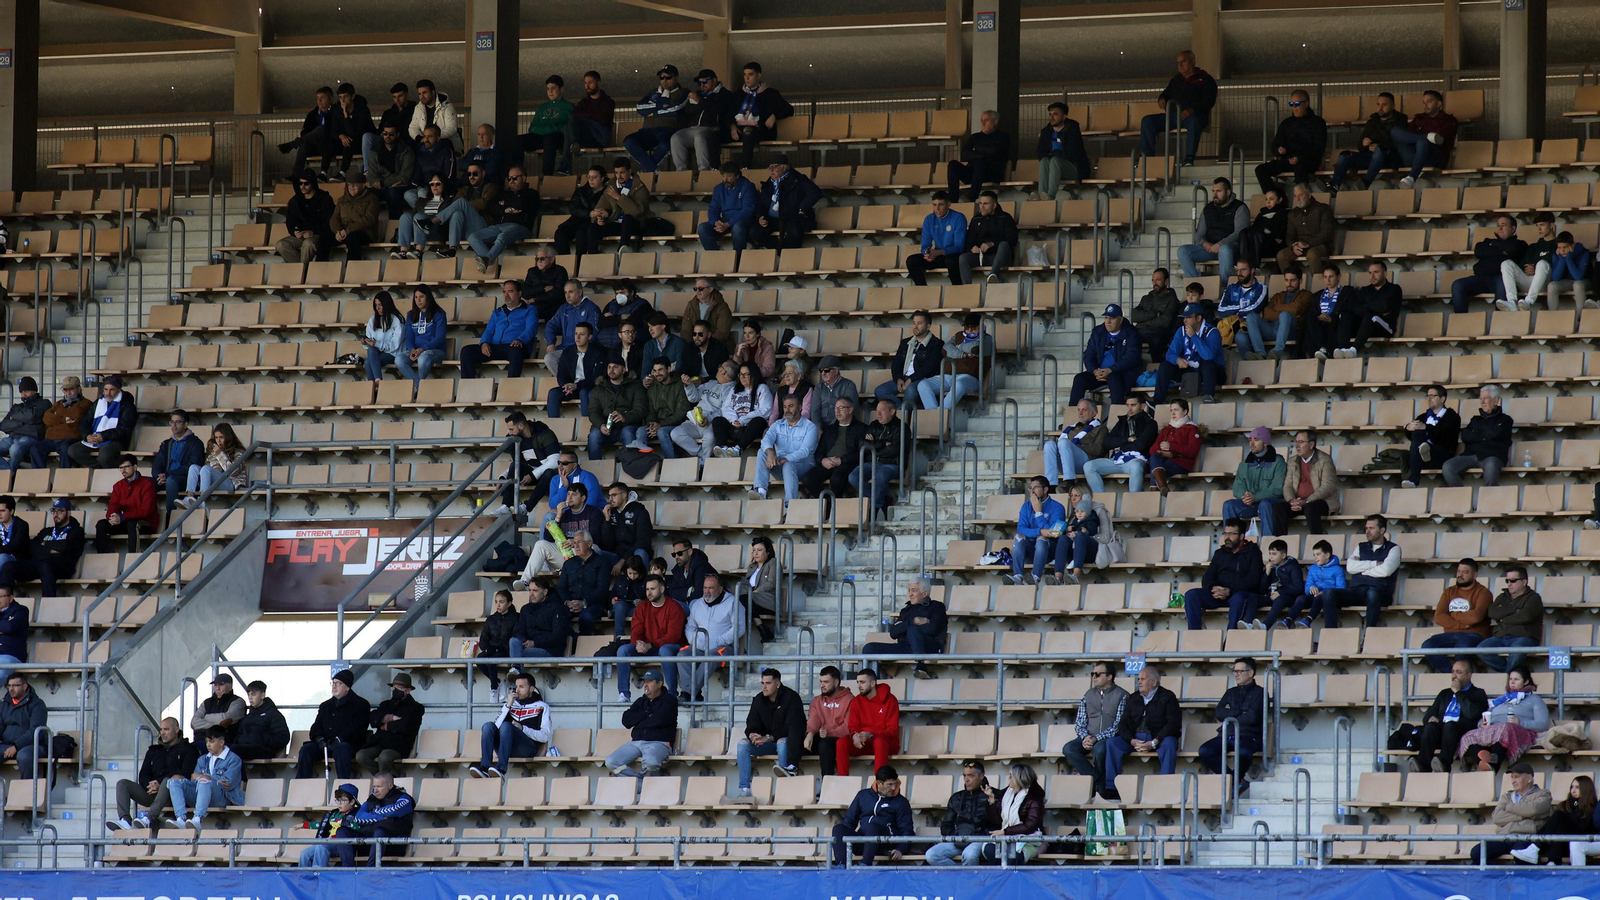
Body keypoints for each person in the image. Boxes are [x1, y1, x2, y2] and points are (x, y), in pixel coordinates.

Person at [106, 717, 194, 833]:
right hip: (151, 793)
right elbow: (143, 773)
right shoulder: (154, 750)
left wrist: (160, 783)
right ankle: (125, 820)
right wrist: (150, 785)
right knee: (122, 784)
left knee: (168, 780)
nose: (162, 733)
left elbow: (185, 773)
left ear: (177, 729)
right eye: (161, 730)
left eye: (166, 729)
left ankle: (149, 818)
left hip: (174, 794)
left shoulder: (188, 749)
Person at [1104, 667, 1181, 796]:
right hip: (1136, 738)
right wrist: (1132, 740)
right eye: (1138, 679)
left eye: (1143, 679)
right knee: (1112, 743)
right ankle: (1112, 788)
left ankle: (1165, 787)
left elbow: (1173, 724)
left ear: (1154, 682)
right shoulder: (1133, 698)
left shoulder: (1168, 697)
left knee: (1169, 744)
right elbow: (1122, 725)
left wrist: (1154, 742)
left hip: (1158, 738)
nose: (1139, 682)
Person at [1459, 666, 1551, 773]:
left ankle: (1493, 764)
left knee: (1505, 729)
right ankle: (1483, 756)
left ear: (1526, 681)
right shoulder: (1501, 699)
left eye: (1516, 679)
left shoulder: (1535, 700)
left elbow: (1543, 724)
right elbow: (1485, 715)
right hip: (1494, 729)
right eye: (1510, 679)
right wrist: (1482, 724)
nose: (1512, 682)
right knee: (1468, 736)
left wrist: (1520, 723)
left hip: (1518, 731)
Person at [1060, 661, 1130, 798]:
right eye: (1093, 674)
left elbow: (1118, 726)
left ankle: (1096, 787)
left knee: (1100, 749)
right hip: (1089, 736)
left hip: (1109, 738)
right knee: (1069, 749)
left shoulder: (1122, 695)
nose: (1094, 677)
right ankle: (1098, 782)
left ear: (1109, 677)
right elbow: (1080, 722)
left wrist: (1096, 738)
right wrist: (1085, 737)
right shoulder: (1088, 695)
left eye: (1098, 674)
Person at [732, 668, 806, 796]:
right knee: (742, 745)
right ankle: (744, 789)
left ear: (778, 684)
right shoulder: (758, 699)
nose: (764, 687)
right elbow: (751, 722)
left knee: (782, 743)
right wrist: (752, 734)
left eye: (768, 683)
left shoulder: (792, 698)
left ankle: (784, 790)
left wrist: (769, 737)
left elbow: (792, 727)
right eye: (762, 683)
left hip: (787, 743)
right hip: (766, 743)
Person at [1182, 519, 1266, 630]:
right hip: (1218, 595)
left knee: (1239, 598)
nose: (1227, 537)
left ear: (1241, 536)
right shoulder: (1220, 553)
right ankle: (1194, 634)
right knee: (1191, 595)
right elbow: (1207, 577)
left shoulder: (1253, 552)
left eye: (1231, 534)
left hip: (1238, 594)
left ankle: (1230, 639)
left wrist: (1229, 590)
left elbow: (1253, 581)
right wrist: (1213, 588)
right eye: (1225, 533)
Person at [1198, 657, 1265, 795]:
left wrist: (1231, 715)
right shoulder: (1231, 692)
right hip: (1226, 733)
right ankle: (1236, 781)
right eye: (1234, 671)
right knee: (1205, 751)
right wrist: (1241, 712)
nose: (1236, 674)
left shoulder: (1260, 692)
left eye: (1240, 671)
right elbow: (1219, 712)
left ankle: (1234, 782)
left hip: (1249, 735)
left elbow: (1253, 717)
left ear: (1251, 673)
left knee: (1244, 753)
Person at [1322, 514, 1400, 628]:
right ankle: (1331, 633)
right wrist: (1374, 564)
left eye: (1371, 528)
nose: (1367, 531)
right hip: (1357, 591)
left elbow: (1386, 571)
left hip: (1380, 593)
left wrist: (1361, 571)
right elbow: (1350, 568)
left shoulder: (1394, 549)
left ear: (1382, 530)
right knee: (1328, 593)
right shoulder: (1361, 547)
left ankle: (1369, 635)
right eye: (1366, 528)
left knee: (1372, 594)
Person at [1139, 50, 1217, 165]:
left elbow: (1209, 100)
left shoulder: (1205, 79)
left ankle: (1189, 159)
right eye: (1178, 63)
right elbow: (1166, 93)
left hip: (1194, 116)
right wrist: (1161, 99)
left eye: (1183, 62)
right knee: (1147, 121)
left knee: (1194, 121)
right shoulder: (1176, 80)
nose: (1180, 65)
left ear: (1193, 62)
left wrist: (1192, 109)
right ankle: (1147, 159)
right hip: (1173, 116)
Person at [616, 574, 685, 702]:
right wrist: (638, 644)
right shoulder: (642, 607)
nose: (649, 593)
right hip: (648, 646)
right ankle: (624, 694)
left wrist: (651, 645)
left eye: (652, 589)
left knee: (665, 650)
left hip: (671, 646)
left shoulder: (674, 607)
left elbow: (673, 636)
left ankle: (672, 693)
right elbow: (636, 629)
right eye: (647, 589)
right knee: (623, 650)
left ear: (662, 589)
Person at [860, 578, 948, 680]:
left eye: (914, 590)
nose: (910, 594)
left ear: (924, 594)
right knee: (869, 648)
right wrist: (913, 621)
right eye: (909, 590)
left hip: (929, 646)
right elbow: (893, 633)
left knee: (912, 631)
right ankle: (870, 684)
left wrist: (905, 627)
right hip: (905, 647)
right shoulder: (906, 610)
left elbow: (932, 629)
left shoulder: (937, 607)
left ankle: (921, 665)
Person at [677, 575, 746, 701]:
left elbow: (739, 628)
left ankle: (687, 693)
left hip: (723, 648)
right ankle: (695, 694)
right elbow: (689, 627)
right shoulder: (697, 604)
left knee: (710, 658)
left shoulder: (733, 602)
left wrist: (718, 641)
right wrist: (694, 641)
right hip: (699, 647)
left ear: (720, 589)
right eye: (705, 588)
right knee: (682, 655)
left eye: (711, 588)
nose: (707, 591)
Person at [471, 671, 552, 777]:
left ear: (531, 689)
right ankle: (485, 767)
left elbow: (545, 736)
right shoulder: (511, 704)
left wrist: (522, 729)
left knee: (506, 726)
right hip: (506, 746)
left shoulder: (543, 706)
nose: (517, 690)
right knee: (488, 726)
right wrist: (508, 705)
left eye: (521, 687)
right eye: (516, 687)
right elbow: (496, 726)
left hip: (527, 748)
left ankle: (501, 769)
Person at [831, 765, 913, 868]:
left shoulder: (901, 802)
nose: (893, 788)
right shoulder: (863, 796)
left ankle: (865, 863)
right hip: (864, 842)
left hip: (885, 844)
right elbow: (849, 822)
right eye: (890, 785)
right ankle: (841, 864)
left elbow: (907, 829)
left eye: (895, 784)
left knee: (872, 826)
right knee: (839, 829)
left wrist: (901, 849)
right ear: (879, 783)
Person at [1414, 659, 1488, 774]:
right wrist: (1430, 719)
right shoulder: (1444, 693)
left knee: (1450, 726)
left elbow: (1471, 714)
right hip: (1443, 732)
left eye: (1459, 672)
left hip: (1461, 732)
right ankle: (1423, 766)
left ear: (1469, 675)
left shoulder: (1478, 693)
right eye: (1453, 672)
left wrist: (1459, 693)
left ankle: (1443, 763)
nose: (1454, 676)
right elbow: (1428, 714)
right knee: (1430, 726)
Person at [1508, 774, 1600, 865]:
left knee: (1559, 816)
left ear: (1586, 789)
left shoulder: (1593, 807)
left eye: (1577, 787)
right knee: (1559, 825)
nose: (1573, 790)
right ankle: (1552, 861)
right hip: (1562, 846)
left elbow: (1585, 829)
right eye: (1572, 787)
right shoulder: (1565, 805)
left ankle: (1535, 846)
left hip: (1580, 845)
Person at [164, 725, 244, 830]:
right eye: (206, 742)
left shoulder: (233, 759)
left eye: (211, 742)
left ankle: (197, 819)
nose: (208, 745)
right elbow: (193, 778)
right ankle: (181, 819)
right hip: (201, 795)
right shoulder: (202, 759)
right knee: (174, 781)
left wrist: (206, 778)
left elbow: (227, 783)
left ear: (221, 742)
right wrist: (209, 779)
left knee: (204, 780)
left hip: (222, 797)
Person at [296, 669, 371, 779]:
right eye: (333, 683)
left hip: (347, 744)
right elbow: (317, 726)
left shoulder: (361, 705)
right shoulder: (325, 706)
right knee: (306, 750)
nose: (334, 686)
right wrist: (319, 738)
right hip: (326, 744)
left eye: (338, 683)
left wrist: (340, 739)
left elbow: (358, 729)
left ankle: (344, 787)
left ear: (347, 687)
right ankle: (302, 785)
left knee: (342, 750)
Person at [1259, 429, 1338, 534]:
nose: (1297, 446)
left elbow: (1328, 487)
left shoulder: (1324, 460)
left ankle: (1316, 541)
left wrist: (1307, 501)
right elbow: (1287, 485)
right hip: (1298, 502)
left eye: (1300, 442)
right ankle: (1280, 545)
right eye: (1295, 442)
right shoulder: (1292, 461)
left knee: (1311, 508)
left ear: (1311, 444)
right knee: (1279, 508)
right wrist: (1292, 501)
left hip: (1320, 501)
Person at [1474, 761, 1552, 863]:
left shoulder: (1543, 794)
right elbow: (1497, 817)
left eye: (1517, 777)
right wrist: (1524, 816)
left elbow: (1534, 809)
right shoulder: (1507, 796)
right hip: (1504, 838)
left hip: (1526, 837)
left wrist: (1509, 807)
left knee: (1521, 856)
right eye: (1512, 777)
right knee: (1476, 853)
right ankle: (1498, 877)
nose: (1513, 781)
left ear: (1529, 778)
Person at [2, 499, 82, 597]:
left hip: (61, 567)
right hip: (37, 564)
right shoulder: (46, 531)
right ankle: (5, 601)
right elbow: (32, 548)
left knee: (46, 566)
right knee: (8, 566)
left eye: (60, 511)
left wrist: (45, 544)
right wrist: (50, 550)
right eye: (54, 511)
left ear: (69, 512)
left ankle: (48, 602)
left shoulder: (76, 531)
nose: (56, 514)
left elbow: (65, 547)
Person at [1329, 92, 1405, 194]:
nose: (1380, 107)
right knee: (1344, 155)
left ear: (1393, 106)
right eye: (1378, 104)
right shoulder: (1372, 121)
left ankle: (1365, 183)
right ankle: (1334, 185)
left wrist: (1378, 144)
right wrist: (1365, 144)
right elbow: (1360, 146)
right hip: (1370, 157)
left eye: (1384, 104)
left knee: (1379, 150)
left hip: (1390, 158)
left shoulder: (1400, 120)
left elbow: (1397, 142)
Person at [607, 668, 677, 777]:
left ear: (659, 684)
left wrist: (638, 722)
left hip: (659, 742)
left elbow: (660, 720)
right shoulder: (641, 701)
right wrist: (646, 715)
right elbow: (626, 721)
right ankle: (639, 782)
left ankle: (639, 784)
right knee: (611, 762)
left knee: (651, 763)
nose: (645, 685)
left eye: (649, 681)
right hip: (636, 742)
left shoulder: (670, 700)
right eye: (645, 682)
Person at [461, 279, 537, 379]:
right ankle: (468, 386)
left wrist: (520, 340)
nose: (506, 295)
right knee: (467, 351)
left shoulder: (529, 310)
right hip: (495, 347)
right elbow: (489, 331)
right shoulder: (497, 312)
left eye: (510, 291)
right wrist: (484, 343)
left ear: (519, 293)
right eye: (504, 292)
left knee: (515, 351)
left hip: (514, 346)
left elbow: (531, 329)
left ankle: (510, 386)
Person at [1083, 395, 1159, 495]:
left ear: (1143, 406)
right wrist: (1127, 439)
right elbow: (1107, 442)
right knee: (1089, 466)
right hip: (1117, 459)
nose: (1129, 408)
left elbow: (1141, 445)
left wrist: (1120, 446)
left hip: (1137, 459)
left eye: (1133, 405)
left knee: (1136, 466)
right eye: (1127, 405)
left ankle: (1134, 500)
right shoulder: (1122, 422)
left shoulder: (1150, 423)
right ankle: (1101, 499)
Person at [591, 157, 670, 252]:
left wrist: (619, 198)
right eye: (616, 173)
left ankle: (622, 249)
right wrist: (600, 217)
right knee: (593, 228)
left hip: (636, 224)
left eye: (622, 172)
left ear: (630, 171)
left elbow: (637, 212)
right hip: (616, 224)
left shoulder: (639, 187)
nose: (619, 176)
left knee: (627, 218)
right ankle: (591, 254)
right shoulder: (611, 187)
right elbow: (599, 208)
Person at [1261, 538, 1343, 630]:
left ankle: (1308, 620)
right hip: (1313, 597)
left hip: (1328, 598)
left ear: (1327, 555)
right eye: (1314, 555)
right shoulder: (1313, 568)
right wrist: (1311, 588)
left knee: (1319, 598)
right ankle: (1288, 620)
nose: (1315, 557)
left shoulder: (1338, 570)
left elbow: (1341, 589)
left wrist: (1325, 593)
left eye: (1318, 554)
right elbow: (1307, 586)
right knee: (1301, 598)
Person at [467, 167, 539, 271]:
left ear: (523, 178)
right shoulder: (504, 194)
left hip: (521, 227)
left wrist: (504, 204)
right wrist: (507, 210)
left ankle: (488, 259)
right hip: (499, 226)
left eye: (514, 178)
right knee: (473, 237)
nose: (511, 181)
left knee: (502, 236)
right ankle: (488, 259)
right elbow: (491, 207)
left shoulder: (531, 193)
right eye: (509, 179)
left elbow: (521, 204)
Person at [1070, 303, 1142, 406]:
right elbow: (1088, 354)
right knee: (1079, 379)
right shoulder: (1098, 332)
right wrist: (1094, 371)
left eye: (1112, 318)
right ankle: (1072, 417)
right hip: (1099, 374)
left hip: (1121, 373)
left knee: (1114, 378)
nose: (1108, 322)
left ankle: (1117, 416)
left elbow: (1131, 357)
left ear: (1120, 320)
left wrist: (1111, 370)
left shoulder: (1131, 333)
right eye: (1106, 318)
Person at [925, 760, 995, 866]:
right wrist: (957, 836)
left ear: (981, 776)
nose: (966, 780)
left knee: (969, 854)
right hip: (958, 840)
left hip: (981, 840)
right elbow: (945, 826)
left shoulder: (993, 796)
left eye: (971, 776)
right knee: (931, 855)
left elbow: (997, 824)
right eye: (964, 776)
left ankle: (970, 881)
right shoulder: (956, 798)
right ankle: (959, 876)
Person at [1255, 91, 1326, 194]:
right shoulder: (1286, 123)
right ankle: (1274, 197)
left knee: (1300, 168)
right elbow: (1275, 145)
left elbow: (1318, 148)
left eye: (1297, 104)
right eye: (1291, 104)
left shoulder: (1318, 123)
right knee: (1260, 170)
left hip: (1308, 161)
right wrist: (1279, 150)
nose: (1294, 107)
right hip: (1288, 160)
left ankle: (1303, 199)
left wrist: (1300, 158)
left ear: (1306, 103)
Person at [1476, 566, 1544, 673]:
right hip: (1501, 636)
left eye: (1513, 580)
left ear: (1524, 582)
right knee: (1481, 649)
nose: (1509, 584)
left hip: (1524, 637)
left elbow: (1525, 616)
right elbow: (1492, 612)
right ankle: (1510, 675)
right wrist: (1515, 610)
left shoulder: (1534, 598)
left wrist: (1504, 618)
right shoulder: (1503, 596)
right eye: (1507, 580)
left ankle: (1511, 680)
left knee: (1516, 652)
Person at [354, 672, 423, 776]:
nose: (395, 690)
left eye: (399, 687)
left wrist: (386, 726)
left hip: (398, 745)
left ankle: (387, 780)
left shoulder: (415, 708)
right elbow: (373, 718)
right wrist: (390, 718)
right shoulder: (385, 704)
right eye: (394, 687)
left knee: (384, 758)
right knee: (361, 756)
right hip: (379, 742)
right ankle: (383, 777)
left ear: (408, 690)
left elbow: (406, 726)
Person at [1450, 214, 1524, 312]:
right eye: (1498, 225)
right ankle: (1460, 322)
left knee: (1503, 287)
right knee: (1457, 285)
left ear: (1513, 228)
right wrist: (1501, 251)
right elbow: (1478, 250)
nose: (1500, 228)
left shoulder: (1519, 244)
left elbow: (1513, 250)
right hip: (1481, 278)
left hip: (1501, 278)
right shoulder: (1488, 241)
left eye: (1504, 225)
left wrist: (1491, 250)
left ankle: (1499, 323)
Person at [753, 395, 819, 504]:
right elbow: (766, 440)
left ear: (800, 407)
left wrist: (784, 459)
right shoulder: (778, 424)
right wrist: (770, 452)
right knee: (762, 451)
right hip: (780, 465)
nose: (787, 410)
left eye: (791, 406)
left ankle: (790, 503)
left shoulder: (810, 427)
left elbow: (804, 451)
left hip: (804, 467)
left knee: (789, 465)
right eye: (784, 407)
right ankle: (761, 492)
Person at [1443, 385, 1513, 487]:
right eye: (1480, 399)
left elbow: (1497, 434)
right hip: (1470, 455)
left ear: (1496, 400)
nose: (1482, 402)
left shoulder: (1505, 420)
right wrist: (1486, 436)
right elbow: (1465, 436)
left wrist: (1476, 435)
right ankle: (1461, 496)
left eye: (1485, 398)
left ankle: (1489, 498)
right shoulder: (1475, 420)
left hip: (1492, 455)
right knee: (1447, 467)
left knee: (1491, 467)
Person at [799, 396, 866, 501]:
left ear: (850, 409)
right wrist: (823, 460)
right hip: (828, 463)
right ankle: (828, 503)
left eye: (841, 408)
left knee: (837, 479)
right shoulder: (830, 429)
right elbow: (819, 452)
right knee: (807, 478)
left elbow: (862, 454)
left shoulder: (861, 428)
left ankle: (833, 507)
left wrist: (841, 460)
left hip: (847, 464)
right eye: (835, 408)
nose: (837, 412)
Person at [1155, 302, 1223, 404]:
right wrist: (1178, 360)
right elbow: (1170, 354)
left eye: (1188, 317)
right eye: (1183, 318)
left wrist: (1194, 337)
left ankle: (1208, 397)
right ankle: (1157, 401)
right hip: (1188, 370)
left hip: (1213, 373)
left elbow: (1208, 356)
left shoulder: (1212, 331)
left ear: (1198, 318)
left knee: (1208, 363)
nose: (1184, 320)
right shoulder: (1181, 331)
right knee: (1165, 366)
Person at [875, 310, 944, 410]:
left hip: (921, 379)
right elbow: (896, 364)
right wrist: (898, 379)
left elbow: (929, 368)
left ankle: (902, 419)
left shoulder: (936, 344)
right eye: (914, 323)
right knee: (880, 390)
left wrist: (911, 379)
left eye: (919, 323)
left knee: (911, 390)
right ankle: (900, 413)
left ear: (928, 326)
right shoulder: (905, 342)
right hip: (903, 378)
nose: (915, 327)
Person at [1006, 476, 1068, 586]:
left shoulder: (1058, 507)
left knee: (1041, 538)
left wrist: (1039, 513)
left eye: (1036, 487)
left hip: (1049, 550)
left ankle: (1035, 577)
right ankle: (1018, 576)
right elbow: (1021, 528)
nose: (1032, 491)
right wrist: (1039, 531)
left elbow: (1053, 532)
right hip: (1031, 549)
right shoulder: (1026, 506)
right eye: (1030, 488)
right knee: (1019, 537)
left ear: (1045, 490)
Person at [1179, 177, 1246, 278]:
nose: (1215, 194)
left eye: (1218, 191)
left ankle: (1226, 287)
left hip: (1232, 248)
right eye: (1213, 191)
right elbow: (1199, 234)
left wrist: (1220, 244)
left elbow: (1240, 232)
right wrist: (1204, 243)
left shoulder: (1239, 207)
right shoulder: (1208, 208)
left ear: (1228, 192)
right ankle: (1195, 286)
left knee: (1224, 250)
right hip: (1211, 248)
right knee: (1182, 251)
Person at [1223, 427, 1286, 535]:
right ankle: (1231, 540)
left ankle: (1268, 543)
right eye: (1250, 440)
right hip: (1250, 504)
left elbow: (1277, 489)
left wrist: (1255, 497)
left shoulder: (1278, 462)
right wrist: (1245, 495)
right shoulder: (1244, 464)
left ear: (1266, 443)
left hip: (1271, 503)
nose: (1251, 444)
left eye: (1256, 440)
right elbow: (1237, 487)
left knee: (1265, 504)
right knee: (1229, 505)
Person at [1333, 259, 1402, 357]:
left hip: (1385, 327)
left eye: (1376, 272)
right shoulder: (1365, 290)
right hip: (1365, 327)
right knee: (1345, 314)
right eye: (1370, 273)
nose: (1372, 276)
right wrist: (1374, 307)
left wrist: (1365, 306)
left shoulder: (1394, 289)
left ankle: (1354, 349)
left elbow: (1385, 307)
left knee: (1371, 316)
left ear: (1385, 274)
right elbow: (1353, 307)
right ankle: (1344, 349)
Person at [626, 65, 688, 173]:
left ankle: (647, 170)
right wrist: (661, 107)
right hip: (647, 131)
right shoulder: (653, 92)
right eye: (662, 77)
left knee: (666, 144)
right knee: (629, 141)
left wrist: (653, 112)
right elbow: (640, 108)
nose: (664, 80)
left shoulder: (684, 92)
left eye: (668, 77)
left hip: (668, 130)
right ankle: (651, 169)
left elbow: (676, 109)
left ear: (677, 78)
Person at [1389, 89, 1457, 187]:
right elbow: (1407, 136)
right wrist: (1424, 137)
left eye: (1429, 102)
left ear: (1438, 104)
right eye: (1424, 102)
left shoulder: (1449, 120)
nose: (1425, 105)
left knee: (1422, 142)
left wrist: (1421, 139)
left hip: (1435, 158)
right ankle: (1425, 137)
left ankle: (1412, 176)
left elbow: (1443, 140)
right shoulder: (1419, 119)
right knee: (1395, 131)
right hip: (1415, 155)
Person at [851, 399, 909, 516]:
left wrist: (873, 447)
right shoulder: (873, 425)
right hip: (871, 463)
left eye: (881, 411)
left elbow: (894, 451)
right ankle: (884, 501)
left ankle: (874, 510)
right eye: (877, 411)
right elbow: (862, 444)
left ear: (892, 411)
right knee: (853, 476)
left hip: (892, 464)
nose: (878, 414)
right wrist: (882, 444)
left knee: (880, 476)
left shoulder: (902, 428)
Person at [754, 154, 823, 249]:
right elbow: (761, 203)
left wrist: (802, 207)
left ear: (784, 167)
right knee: (755, 231)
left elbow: (815, 192)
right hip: (773, 219)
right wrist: (760, 216)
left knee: (794, 231)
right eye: (769, 168)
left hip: (793, 217)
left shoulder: (798, 179)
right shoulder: (768, 184)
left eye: (774, 167)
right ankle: (780, 251)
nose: (771, 170)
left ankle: (788, 254)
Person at [732, 62, 793, 168]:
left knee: (748, 131)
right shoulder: (737, 95)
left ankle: (744, 167)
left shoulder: (770, 93)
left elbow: (789, 109)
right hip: (737, 130)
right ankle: (712, 169)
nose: (747, 78)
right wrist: (731, 126)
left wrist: (774, 115)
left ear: (758, 75)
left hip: (761, 129)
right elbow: (728, 113)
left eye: (750, 75)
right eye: (745, 75)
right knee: (711, 133)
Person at [674, 69, 737, 172]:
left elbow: (719, 110)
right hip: (692, 128)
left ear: (715, 80)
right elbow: (687, 111)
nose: (702, 85)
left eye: (705, 81)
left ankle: (704, 170)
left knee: (700, 137)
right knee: (676, 138)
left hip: (711, 128)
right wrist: (697, 103)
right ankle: (681, 171)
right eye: (700, 82)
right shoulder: (698, 93)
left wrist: (700, 102)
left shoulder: (724, 94)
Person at [585, 353, 646, 460]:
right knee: (593, 436)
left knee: (628, 433)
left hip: (627, 425)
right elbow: (593, 411)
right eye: (609, 367)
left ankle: (631, 467)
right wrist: (600, 424)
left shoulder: (635, 386)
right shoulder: (599, 389)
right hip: (605, 427)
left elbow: (640, 409)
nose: (611, 370)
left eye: (615, 367)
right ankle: (594, 470)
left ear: (624, 370)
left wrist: (625, 417)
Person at [69, 375, 136, 470]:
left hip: (115, 440)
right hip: (95, 438)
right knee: (73, 450)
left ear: (118, 389)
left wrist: (103, 436)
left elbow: (124, 429)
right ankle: (99, 469)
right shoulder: (98, 403)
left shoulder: (127, 406)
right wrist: (87, 436)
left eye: (112, 389)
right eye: (106, 389)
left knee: (105, 455)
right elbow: (86, 421)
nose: (108, 393)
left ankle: (109, 474)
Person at [841, 668, 900, 775]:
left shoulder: (890, 700)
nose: (859, 686)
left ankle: (880, 782)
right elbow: (853, 726)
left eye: (862, 682)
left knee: (879, 742)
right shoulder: (856, 701)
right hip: (864, 743)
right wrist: (855, 736)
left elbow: (893, 731)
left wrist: (872, 734)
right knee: (841, 742)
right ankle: (842, 780)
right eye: (857, 682)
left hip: (886, 743)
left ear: (873, 683)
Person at [348, 771, 415, 865]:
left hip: (392, 845)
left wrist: (374, 812)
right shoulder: (372, 799)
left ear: (390, 785)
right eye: (374, 786)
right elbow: (358, 818)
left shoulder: (404, 798)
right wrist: (380, 817)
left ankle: (371, 870)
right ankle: (347, 871)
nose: (375, 790)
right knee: (343, 831)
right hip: (369, 843)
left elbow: (395, 810)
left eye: (379, 787)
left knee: (380, 831)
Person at [94, 456, 157, 553]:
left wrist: (123, 517)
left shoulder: (147, 484)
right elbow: (113, 507)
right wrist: (112, 517)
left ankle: (133, 558)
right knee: (101, 524)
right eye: (121, 468)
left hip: (145, 523)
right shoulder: (118, 486)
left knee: (133, 524)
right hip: (126, 521)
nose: (123, 471)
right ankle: (102, 556)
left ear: (135, 467)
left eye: (126, 467)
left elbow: (146, 511)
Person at [1498, 211, 1559, 312]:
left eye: (1542, 225)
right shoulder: (1534, 247)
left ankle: (1528, 302)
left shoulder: (1558, 245)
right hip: (1529, 282)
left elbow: (1557, 266)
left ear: (1552, 225)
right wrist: (1527, 269)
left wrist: (1535, 269)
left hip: (1547, 282)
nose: (1539, 229)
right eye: (1537, 225)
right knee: (1506, 263)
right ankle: (1512, 301)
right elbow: (1523, 264)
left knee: (1542, 263)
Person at [433, 163, 498, 258]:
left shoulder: (491, 187)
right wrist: (468, 207)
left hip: (484, 228)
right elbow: (454, 205)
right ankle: (452, 249)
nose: (471, 177)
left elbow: (484, 203)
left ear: (483, 173)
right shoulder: (464, 190)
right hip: (465, 230)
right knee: (457, 213)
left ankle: (432, 222)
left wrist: (466, 206)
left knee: (462, 203)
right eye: (469, 174)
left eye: (475, 174)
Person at [1402, 384, 1460, 488]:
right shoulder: (1423, 417)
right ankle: (1423, 452)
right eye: (1427, 396)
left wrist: (1426, 428)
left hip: (1443, 456)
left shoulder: (1452, 417)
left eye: (1432, 396)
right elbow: (1411, 437)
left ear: (1442, 399)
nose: (1429, 399)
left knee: (1420, 436)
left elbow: (1445, 435)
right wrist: (1408, 428)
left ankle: (1414, 479)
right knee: (1417, 433)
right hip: (1421, 459)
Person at [710, 361, 773, 456]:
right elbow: (726, 408)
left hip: (750, 427)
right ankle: (722, 448)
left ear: (754, 374)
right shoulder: (734, 389)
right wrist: (734, 420)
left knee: (759, 421)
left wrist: (743, 420)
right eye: (740, 374)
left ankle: (738, 449)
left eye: (746, 374)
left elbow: (765, 410)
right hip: (734, 425)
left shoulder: (762, 388)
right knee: (718, 420)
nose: (742, 377)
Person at [278, 86, 343, 177]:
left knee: (322, 129)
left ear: (331, 99)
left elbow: (336, 131)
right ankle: (295, 175)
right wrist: (314, 138)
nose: (319, 101)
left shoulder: (337, 112)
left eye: (322, 98)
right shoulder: (312, 115)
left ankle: (293, 144)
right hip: (316, 146)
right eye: (318, 98)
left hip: (332, 146)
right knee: (303, 146)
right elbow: (304, 132)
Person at [906, 191, 968, 286]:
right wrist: (927, 253)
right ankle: (923, 290)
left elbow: (959, 247)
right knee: (911, 260)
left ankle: (958, 289)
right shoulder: (929, 219)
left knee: (951, 261)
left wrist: (938, 252)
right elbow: (925, 244)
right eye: (934, 205)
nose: (937, 209)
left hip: (953, 255)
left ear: (949, 204)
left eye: (941, 205)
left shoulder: (959, 217)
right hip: (937, 255)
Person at [1042, 399, 1106, 490]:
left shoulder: (1100, 428)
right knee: (1049, 445)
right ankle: (1051, 485)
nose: (1080, 413)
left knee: (1064, 442)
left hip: (1086, 461)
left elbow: (1098, 449)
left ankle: (1069, 482)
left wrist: (1076, 447)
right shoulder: (1071, 428)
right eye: (1079, 410)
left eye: (1084, 410)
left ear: (1094, 413)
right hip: (1066, 462)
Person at [1273, 183, 1334, 277]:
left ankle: (1317, 286)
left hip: (1320, 245)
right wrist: (1293, 245)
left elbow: (1326, 233)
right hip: (1300, 246)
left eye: (1300, 195)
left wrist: (1308, 244)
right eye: (1295, 196)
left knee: (1312, 254)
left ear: (1309, 195)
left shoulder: (1323, 209)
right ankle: (1293, 283)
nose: (1297, 199)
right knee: (1281, 255)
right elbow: (1289, 234)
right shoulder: (1293, 214)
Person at [1250, 265, 1311, 359]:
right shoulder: (1278, 296)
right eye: (1286, 280)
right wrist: (1284, 312)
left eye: (1293, 280)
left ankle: (1277, 352)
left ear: (1300, 281)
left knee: (1285, 315)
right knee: (1251, 317)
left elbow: (1296, 309)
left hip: (1292, 330)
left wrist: (1277, 309)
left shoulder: (1306, 295)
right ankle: (1260, 353)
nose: (1289, 283)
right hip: (1273, 329)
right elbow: (1266, 313)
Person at [948, 110, 1010, 202]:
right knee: (953, 165)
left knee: (979, 162)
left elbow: (996, 152)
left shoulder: (1003, 137)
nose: (983, 123)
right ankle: (953, 200)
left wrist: (976, 153)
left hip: (991, 173)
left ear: (995, 122)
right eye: (982, 120)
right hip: (972, 173)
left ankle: (972, 197)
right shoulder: (975, 137)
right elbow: (964, 154)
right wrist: (983, 154)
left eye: (986, 120)